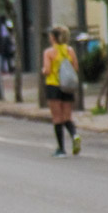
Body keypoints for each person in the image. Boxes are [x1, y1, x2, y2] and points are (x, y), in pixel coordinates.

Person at [41, 25, 81, 157]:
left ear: (53, 37)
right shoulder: (70, 50)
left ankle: (61, 148)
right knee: (67, 116)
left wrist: (44, 71)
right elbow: (75, 67)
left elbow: (47, 70)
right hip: (67, 86)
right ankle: (74, 134)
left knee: (57, 118)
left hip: (53, 85)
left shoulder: (49, 52)